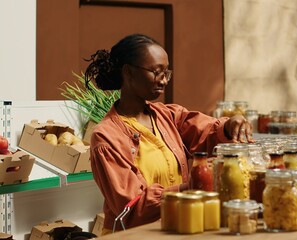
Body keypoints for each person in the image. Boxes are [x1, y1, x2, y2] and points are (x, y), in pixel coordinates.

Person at [84, 33, 254, 235]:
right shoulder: (107, 136)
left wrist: (229, 126)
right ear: (128, 72)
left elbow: (208, 133)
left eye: (167, 73)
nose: (164, 81)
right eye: (156, 72)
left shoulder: (168, 116)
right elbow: (130, 208)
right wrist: (188, 189)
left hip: (176, 226)